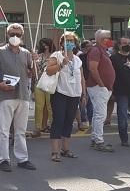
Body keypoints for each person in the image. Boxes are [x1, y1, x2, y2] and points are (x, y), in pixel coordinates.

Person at [0, 23, 36, 172]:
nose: (15, 37)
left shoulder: (26, 53)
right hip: (6, 94)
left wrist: (35, 61)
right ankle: (4, 160)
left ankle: (22, 159)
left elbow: (32, 73)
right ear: (7, 35)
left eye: (18, 34)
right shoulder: (0, 52)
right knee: (4, 130)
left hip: (23, 95)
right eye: (12, 34)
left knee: (21, 130)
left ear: (22, 36)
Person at [44, 32, 87, 162]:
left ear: (75, 43)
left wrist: (83, 94)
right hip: (60, 93)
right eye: (67, 40)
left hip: (74, 94)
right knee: (58, 121)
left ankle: (65, 149)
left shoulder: (78, 59)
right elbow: (48, 71)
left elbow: (82, 78)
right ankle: (55, 151)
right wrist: (61, 64)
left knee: (69, 121)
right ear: (62, 43)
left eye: (72, 40)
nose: (69, 43)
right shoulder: (56, 55)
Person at [86, 29, 116, 152]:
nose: (110, 40)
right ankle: (99, 141)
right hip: (98, 87)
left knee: (98, 114)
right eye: (108, 38)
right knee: (100, 115)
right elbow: (93, 69)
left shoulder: (102, 51)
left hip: (101, 87)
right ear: (102, 40)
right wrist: (102, 85)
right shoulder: (95, 50)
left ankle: (95, 138)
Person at [32, 37, 56, 137]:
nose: (44, 46)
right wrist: (34, 61)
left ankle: (53, 126)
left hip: (50, 83)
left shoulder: (55, 56)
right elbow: (34, 71)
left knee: (51, 106)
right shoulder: (38, 56)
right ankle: (38, 128)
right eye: (42, 44)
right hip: (39, 83)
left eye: (46, 44)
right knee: (39, 106)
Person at [77, 40, 93, 130]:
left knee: (90, 102)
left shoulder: (94, 56)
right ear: (84, 48)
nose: (92, 48)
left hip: (93, 82)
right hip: (84, 82)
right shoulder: (81, 57)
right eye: (89, 46)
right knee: (83, 102)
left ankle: (90, 120)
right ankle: (84, 120)